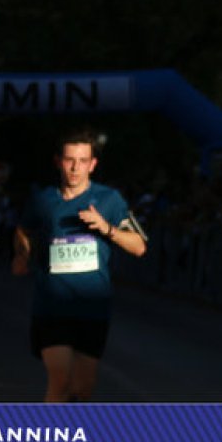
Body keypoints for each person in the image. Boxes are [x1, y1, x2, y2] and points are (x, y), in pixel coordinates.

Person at [13, 129, 146, 402]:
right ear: (58, 161)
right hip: (52, 305)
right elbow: (23, 230)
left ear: (92, 164)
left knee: (83, 387)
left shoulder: (110, 200)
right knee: (60, 379)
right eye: (69, 160)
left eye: (83, 161)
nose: (75, 168)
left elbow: (139, 246)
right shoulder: (42, 199)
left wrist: (106, 228)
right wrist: (22, 254)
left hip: (92, 307)